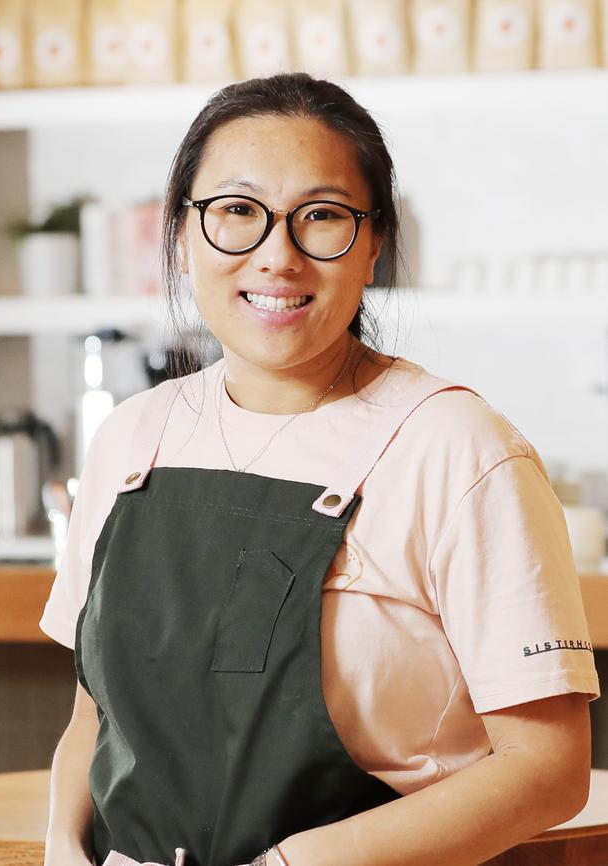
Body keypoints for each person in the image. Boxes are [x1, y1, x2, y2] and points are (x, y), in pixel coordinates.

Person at [40, 72, 600, 866]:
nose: (278, 256)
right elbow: (94, 721)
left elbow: (547, 771)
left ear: (373, 245)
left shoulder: (457, 446)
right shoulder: (134, 438)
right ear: (181, 236)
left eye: (323, 217)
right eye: (236, 212)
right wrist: (65, 849)